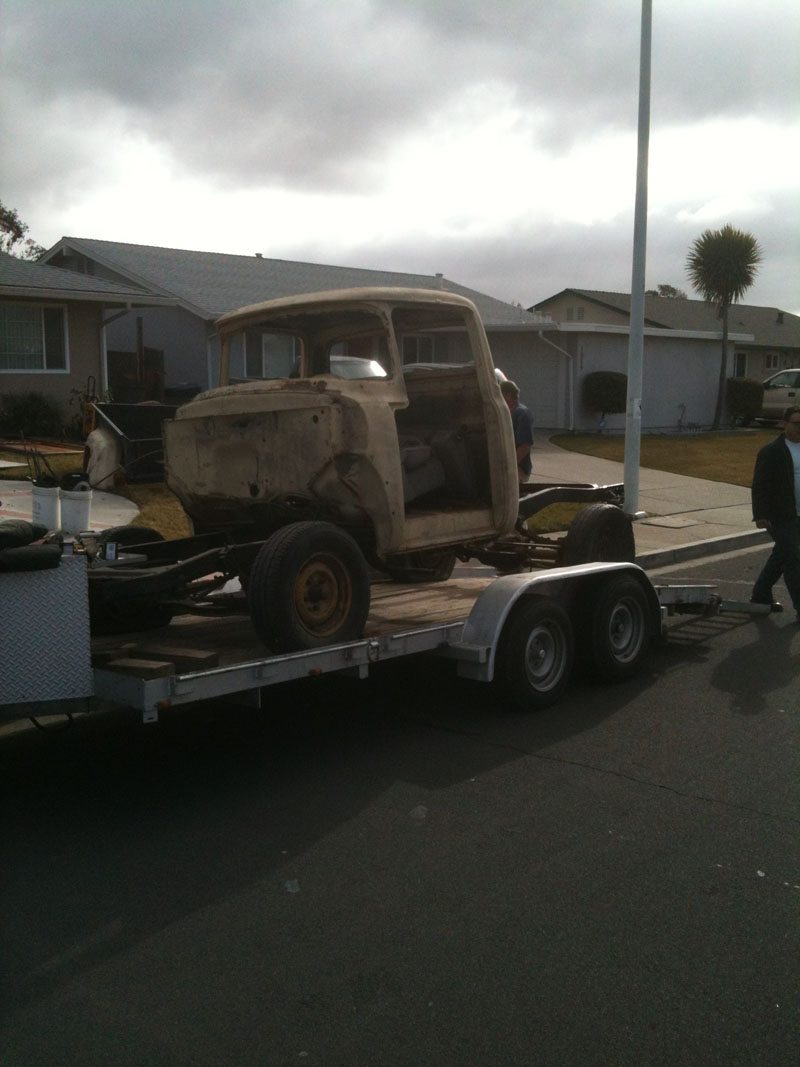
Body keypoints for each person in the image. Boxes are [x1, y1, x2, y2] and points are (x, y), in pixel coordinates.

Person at [750, 404, 800, 620]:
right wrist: (760, 514)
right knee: (793, 557)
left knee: (782, 553)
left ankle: (761, 594)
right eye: (797, 423)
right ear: (785, 424)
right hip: (781, 515)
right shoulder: (772, 451)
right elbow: (760, 485)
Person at [500, 379, 535, 487]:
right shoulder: (509, 412)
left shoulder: (521, 413)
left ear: (508, 396)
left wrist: (510, 467)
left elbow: (525, 446)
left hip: (518, 469)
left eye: (500, 396)